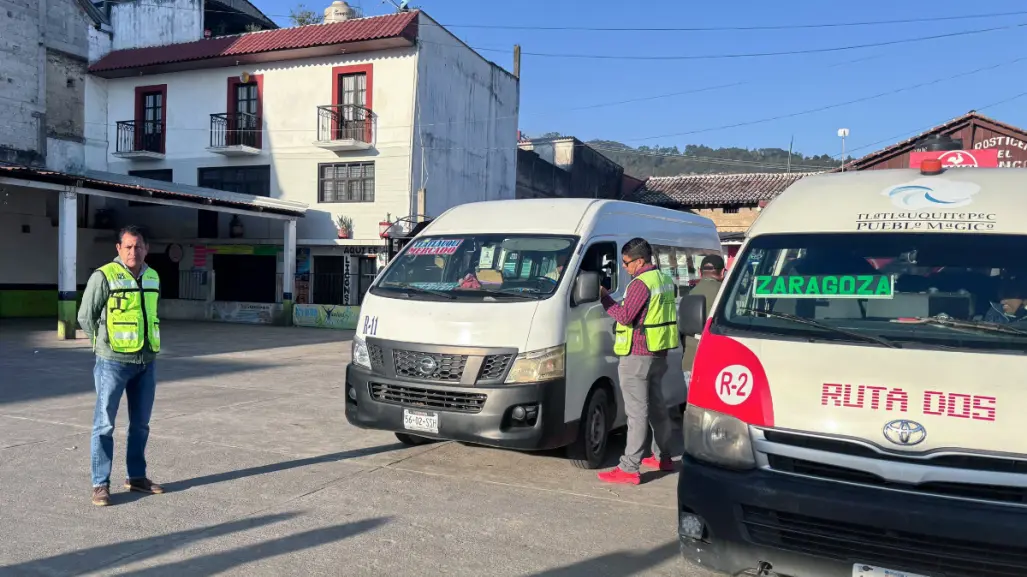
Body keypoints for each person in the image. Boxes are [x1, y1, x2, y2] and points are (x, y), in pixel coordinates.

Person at [78, 226, 165, 506]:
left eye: (138, 246)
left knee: (140, 425)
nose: (133, 251)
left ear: (146, 248)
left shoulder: (152, 276)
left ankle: (136, 477)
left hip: (146, 361)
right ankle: (100, 484)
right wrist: (103, 345)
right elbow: (85, 316)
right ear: (118, 248)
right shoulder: (103, 276)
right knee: (104, 424)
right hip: (113, 362)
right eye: (127, 246)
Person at [596, 238, 679, 485]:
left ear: (639, 261)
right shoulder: (663, 280)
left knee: (636, 413)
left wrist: (604, 297)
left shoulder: (640, 284)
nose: (624, 267)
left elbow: (625, 316)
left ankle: (629, 467)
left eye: (626, 262)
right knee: (657, 408)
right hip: (658, 353)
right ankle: (663, 457)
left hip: (637, 355)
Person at [682, 255, 726, 378]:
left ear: (700, 272)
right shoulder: (727, 294)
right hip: (717, 363)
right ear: (722, 271)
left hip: (691, 361)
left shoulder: (690, 294)